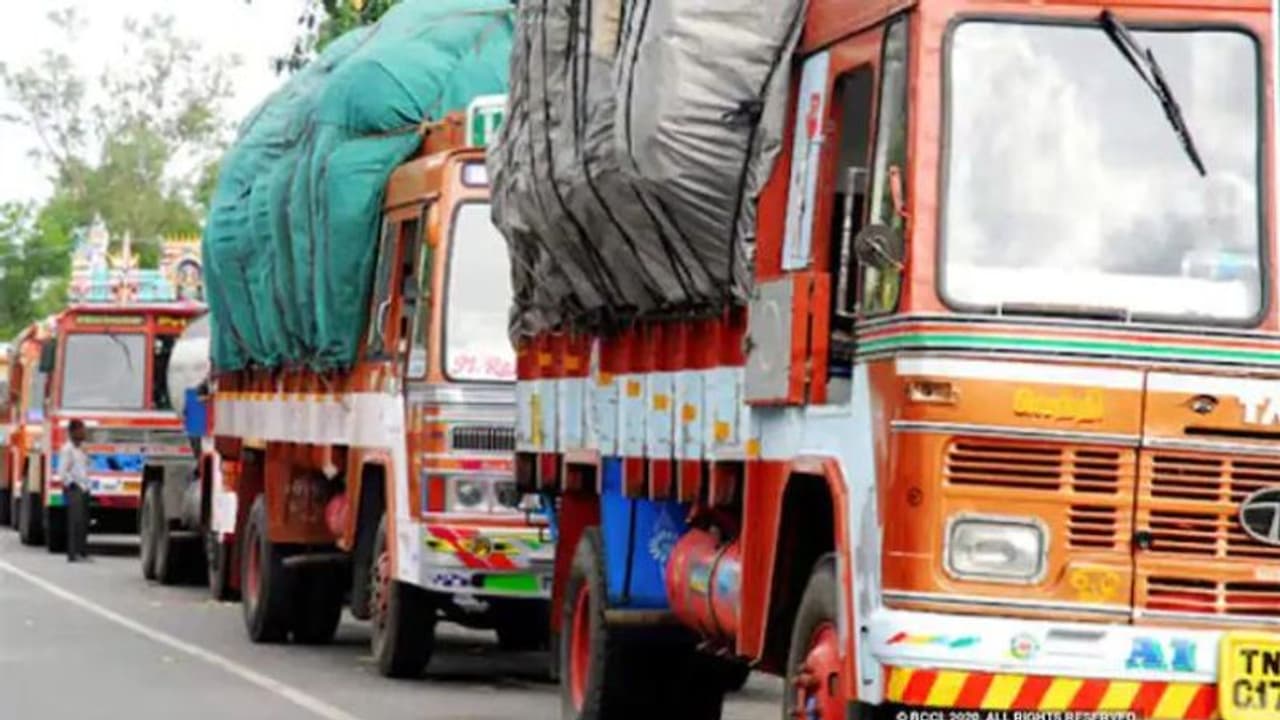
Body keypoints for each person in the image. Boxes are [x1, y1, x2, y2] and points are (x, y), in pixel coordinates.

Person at [58, 419, 91, 562]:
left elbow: (84, 468)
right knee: (74, 521)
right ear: (73, 432)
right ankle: (72, 554)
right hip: (74, 488)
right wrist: (71, 484)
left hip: (84, 487)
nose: (84, 433)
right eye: (81, 430)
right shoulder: (67, 449)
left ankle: (82, 552)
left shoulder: (82, 448)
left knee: (84, 521)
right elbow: (62, 472)